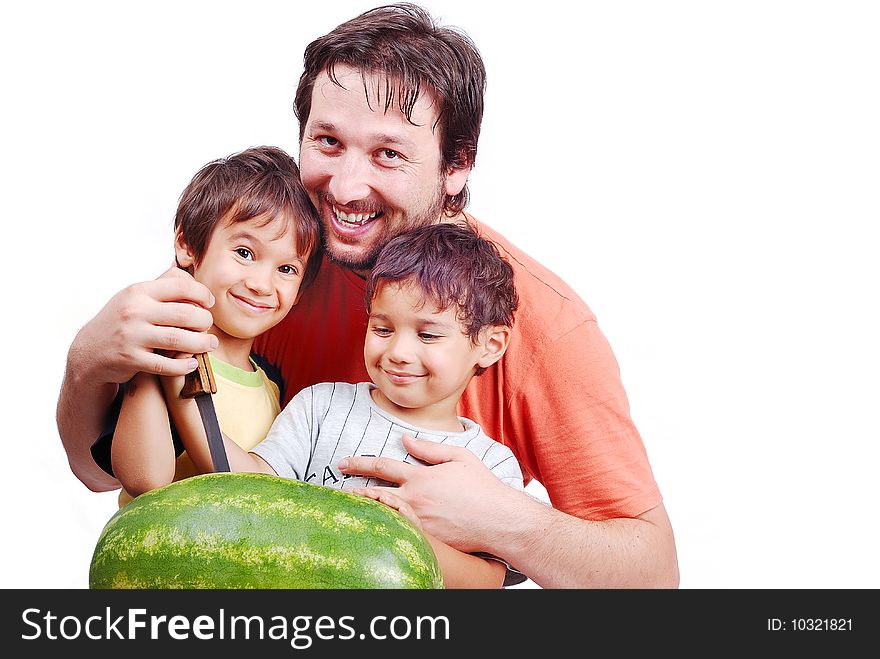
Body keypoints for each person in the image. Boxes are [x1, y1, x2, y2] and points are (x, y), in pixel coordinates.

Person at [57, 3, 679, 588]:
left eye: (388, 153)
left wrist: (502, 522)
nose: (347, 188)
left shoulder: (544, 325)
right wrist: (89, 362)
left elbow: (653, 576)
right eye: (328, 142)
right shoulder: (273, 265)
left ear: (458, 165)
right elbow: (107, 474)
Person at [168, 222, 526, 588]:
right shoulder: (319, 407)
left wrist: (409, 539)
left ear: (490, 345)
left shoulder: (491, 466)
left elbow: (488, 581)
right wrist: (184, 396)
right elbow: (249, 487)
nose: (398, 353)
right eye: (383, 329)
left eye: (428, 334)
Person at [110, 145, 321, 505]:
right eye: (244, 253)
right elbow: (145, 478)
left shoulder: (273, 387)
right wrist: (158, 363)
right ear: (187, 245)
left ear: (300, 291)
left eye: (287, 269)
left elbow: (260, 495)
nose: (261, 284)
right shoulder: (154, 358)